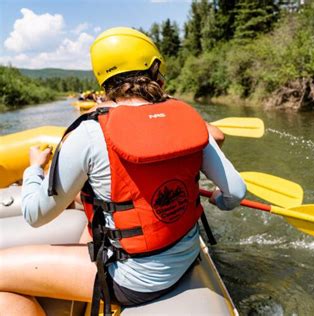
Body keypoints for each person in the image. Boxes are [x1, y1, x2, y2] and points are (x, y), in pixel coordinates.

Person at [0, 27, 246, 315]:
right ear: (155, 67)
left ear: (103, 77)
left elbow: (35, 214)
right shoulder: (189, 119)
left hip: (132, 281)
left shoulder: (89, 133)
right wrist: (217, 198)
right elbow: (236, 192)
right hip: (187, 256)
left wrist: (32, 170)